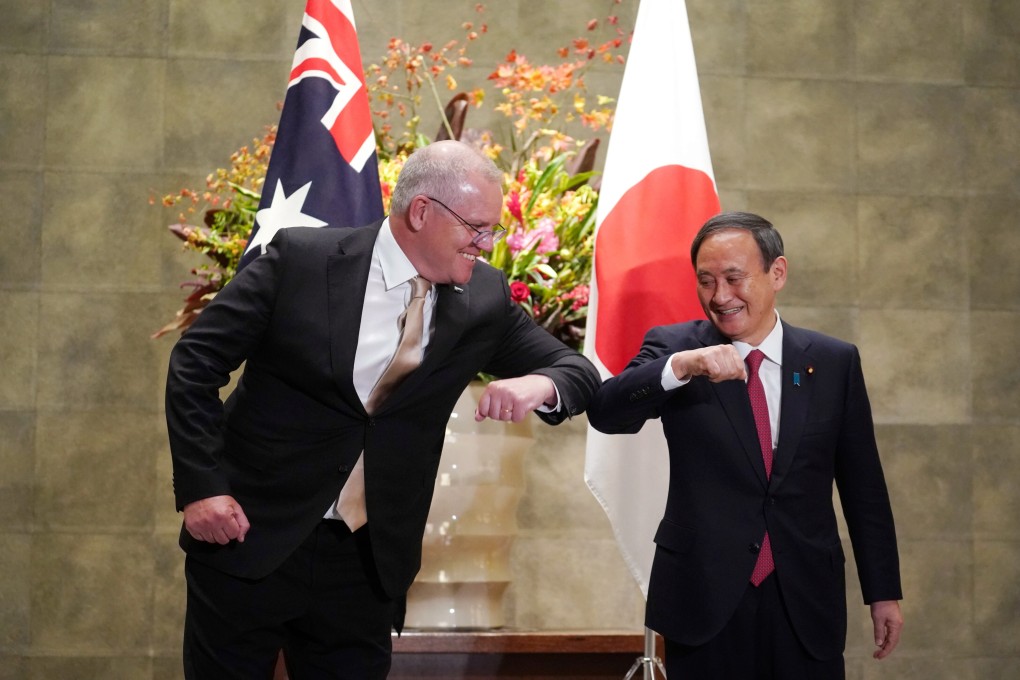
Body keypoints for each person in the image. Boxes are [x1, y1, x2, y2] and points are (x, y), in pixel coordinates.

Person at [165, 140, 601, 680]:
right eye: (477, 228)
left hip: (365, 561)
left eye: (493, 231)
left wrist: (542, 383)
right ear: (421, 211)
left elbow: (579, 371)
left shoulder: (483, 298)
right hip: (251, 534)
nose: (486, 245)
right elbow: (195, 363)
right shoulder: (301, 260)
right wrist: (202, 486)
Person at [587, 211, 903, 679]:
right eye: (707, 281)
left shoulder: (834, 362)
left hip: (804, 596)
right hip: (705, 598)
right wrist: (681, 368)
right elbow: (607, 412)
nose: (720, 297)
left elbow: (863, 487)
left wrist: (883, 590)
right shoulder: (676, 349)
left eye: (734, 279)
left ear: (777, 273)